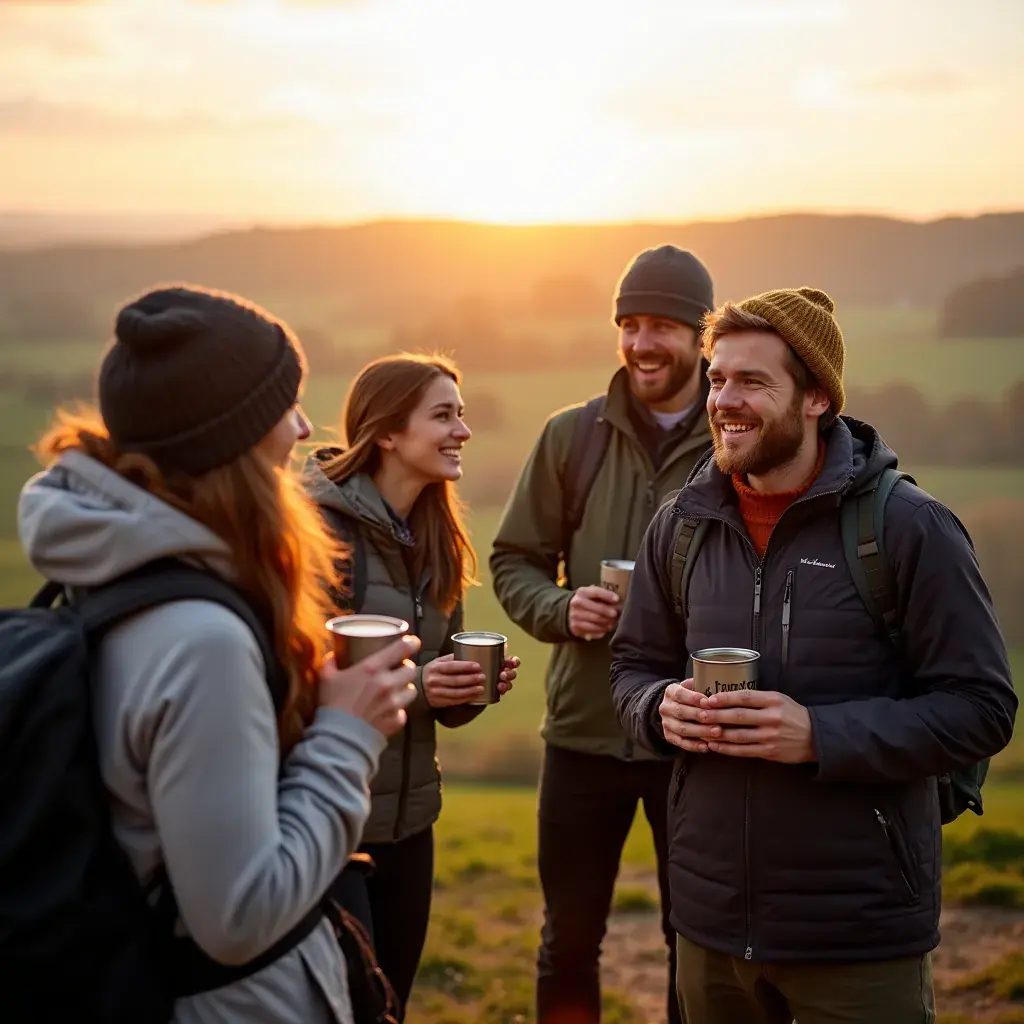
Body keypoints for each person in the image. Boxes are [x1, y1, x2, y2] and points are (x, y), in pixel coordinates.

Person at [610, 287, 1017, 1024]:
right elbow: (631, 669)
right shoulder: (681, 525)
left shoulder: (908, 529)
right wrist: (655, 709)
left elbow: (982, 710)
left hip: (859, 939)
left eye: (752, 382)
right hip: (708, 929)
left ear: (816, 399)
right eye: (717, 377)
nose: (723, 400)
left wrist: (819, 737)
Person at [16, 285, 420, 1024]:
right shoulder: (201, 641)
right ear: (229, 439)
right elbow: (238, 917)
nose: (303, 427)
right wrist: (347, 732)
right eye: (283, 406)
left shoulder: (117, 569)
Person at [491, 245, 716, 1024]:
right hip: (583, 735)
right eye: (629, 323)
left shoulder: (734, 437)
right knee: (568, 940)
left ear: (701, 335)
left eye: (662, 325)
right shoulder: (570, 436)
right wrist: (563, 609)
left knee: (693, 943)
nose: (642, 342)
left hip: (692, 735)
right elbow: (513, 558)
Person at [306, 352, 520, 1020]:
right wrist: (427, 682)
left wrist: (465, 690)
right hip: (333, 822)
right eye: (444, 415)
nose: (463, 431)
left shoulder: (437, 538)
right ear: (389, 433)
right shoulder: (318, 534)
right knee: (351, 1008)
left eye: (462, 415)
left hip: (411, 825)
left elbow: (431, 699)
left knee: (392, 1001)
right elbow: (299, 678)